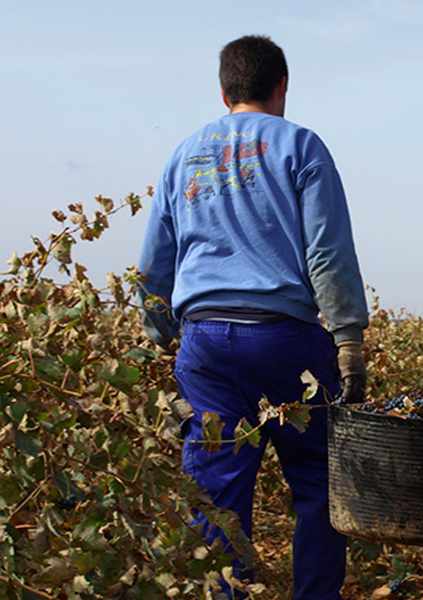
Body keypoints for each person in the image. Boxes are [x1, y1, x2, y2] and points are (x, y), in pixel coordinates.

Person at [138, 35, 368, 600]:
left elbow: (154, 263)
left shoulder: (184, 154)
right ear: (282, 87)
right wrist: (349, 338)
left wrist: (162, 332)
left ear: (224, 92)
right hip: (287, 342)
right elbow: (327, 251)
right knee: (318, 485)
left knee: (216, 492)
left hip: (207, 345)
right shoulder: (301, 147)